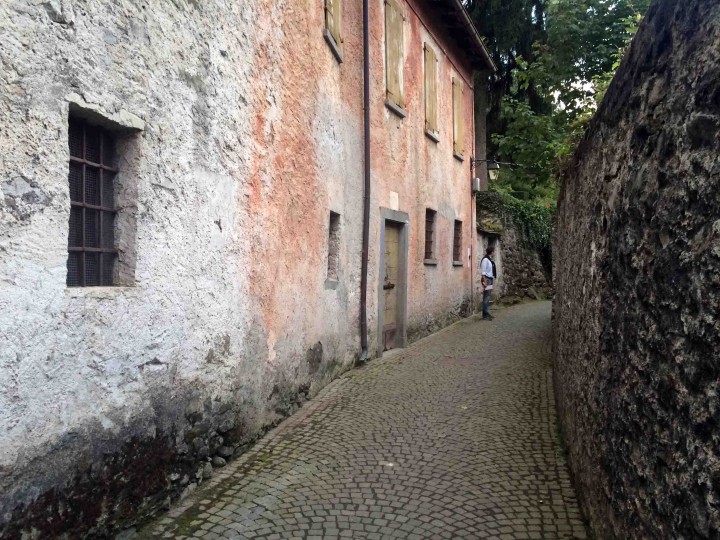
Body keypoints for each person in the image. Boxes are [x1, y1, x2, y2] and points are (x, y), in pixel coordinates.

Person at [481, 246, 497, 320]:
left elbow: (490, 272)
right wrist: (485, 282)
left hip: (490, 279)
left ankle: (486, 313)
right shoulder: (485, 260)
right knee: (486, 297)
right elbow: (483, 272)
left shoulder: (490, 260)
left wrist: (492, 280)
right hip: (486, 279)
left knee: (488, 297)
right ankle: (485, 315)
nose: (494, 253)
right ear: (491, 252)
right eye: (494, 251)